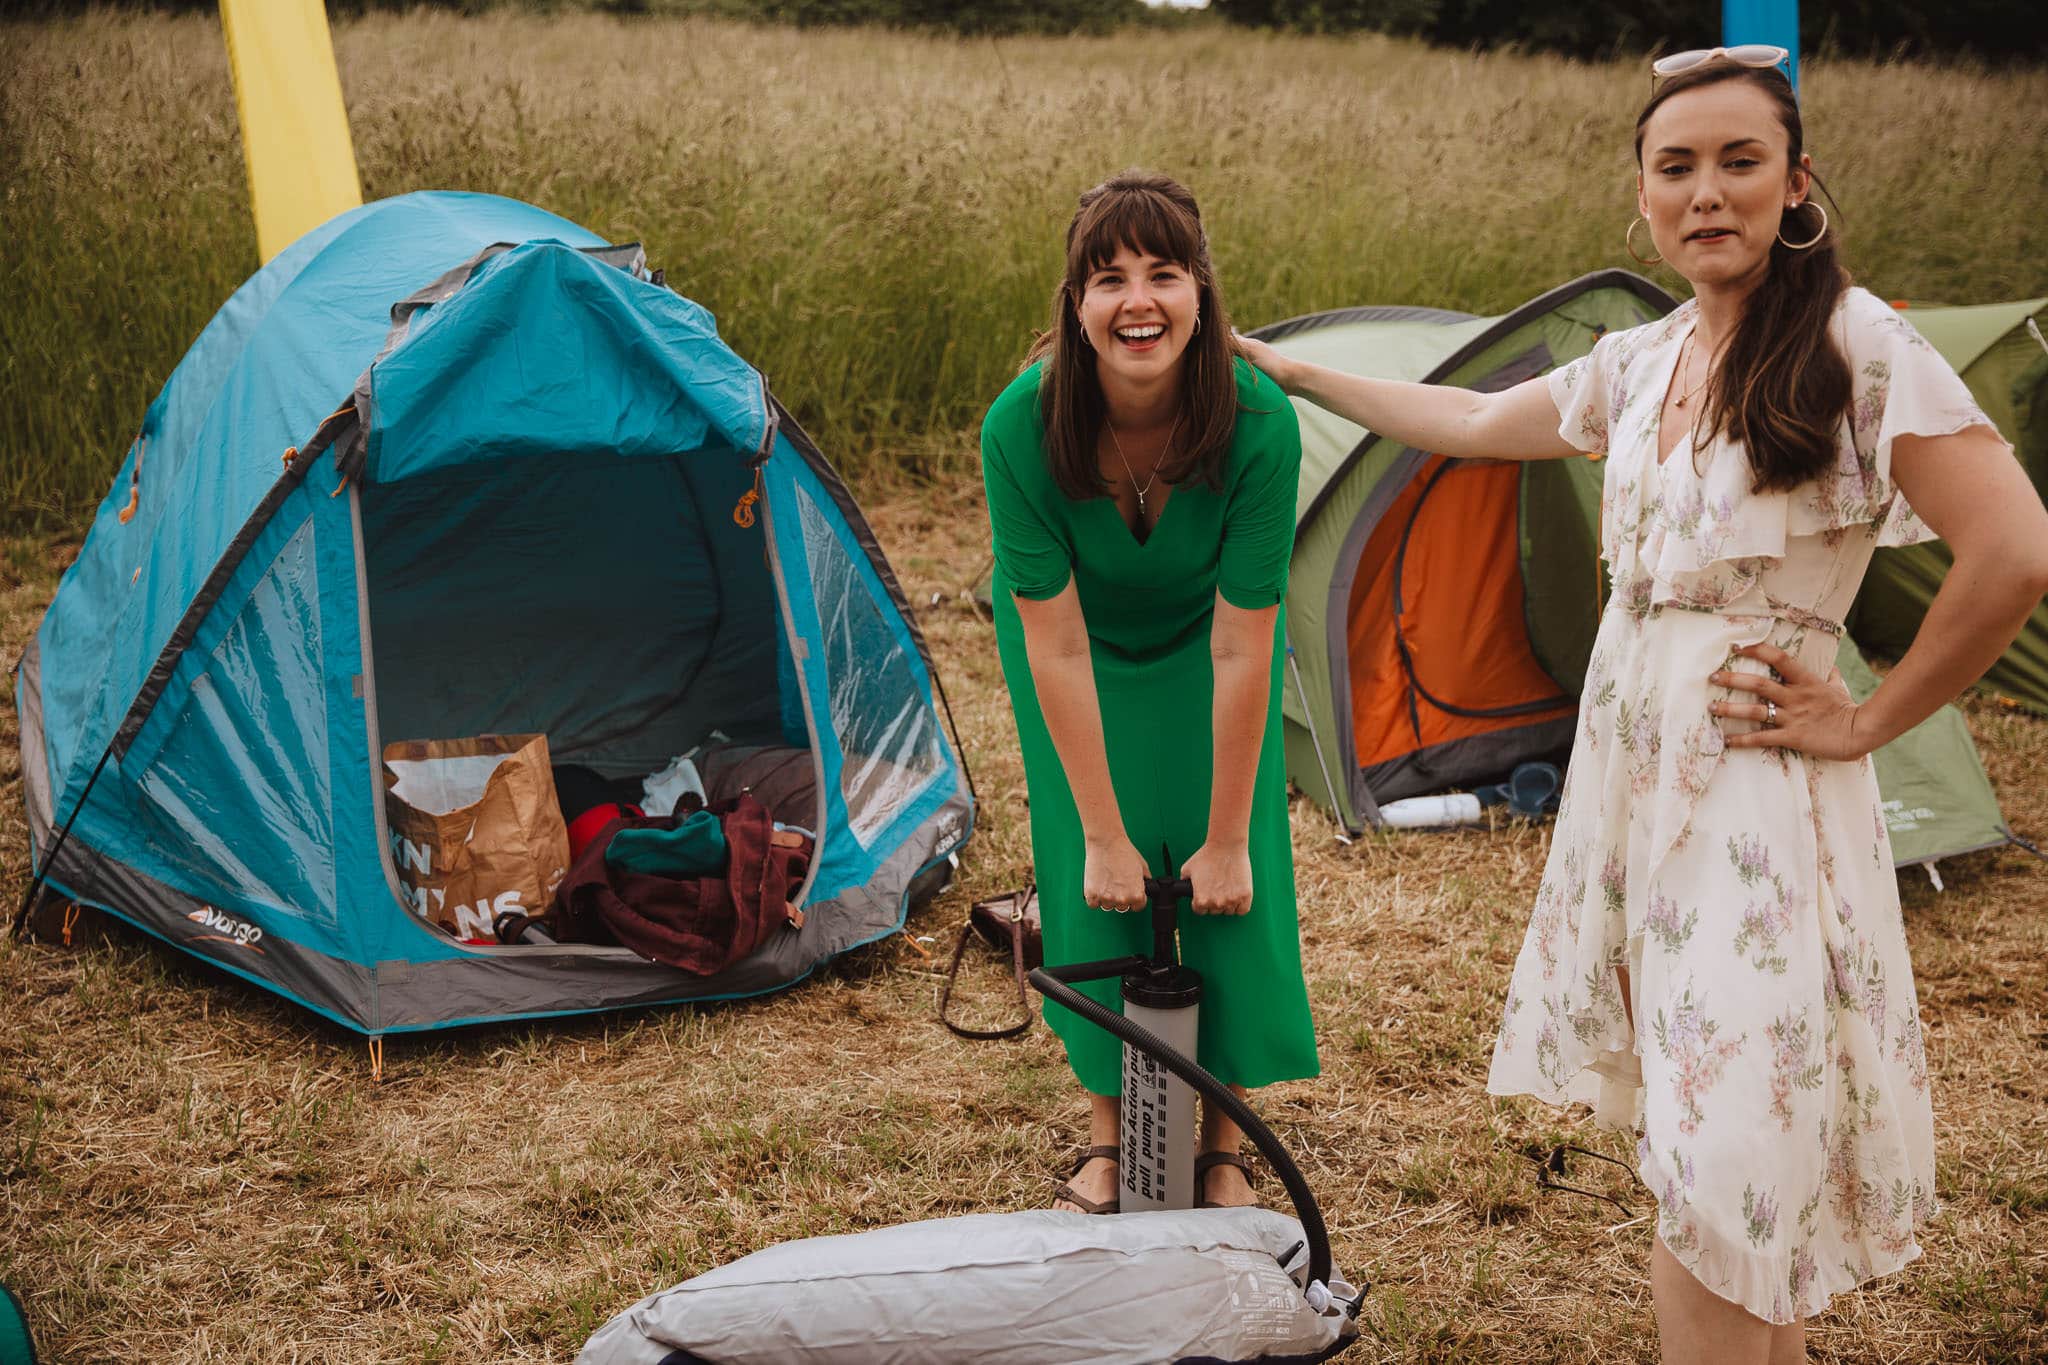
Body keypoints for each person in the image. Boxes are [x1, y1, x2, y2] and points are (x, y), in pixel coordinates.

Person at [1236, 49, 2048, 1364]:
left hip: (1755, 800)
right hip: (1633, 795)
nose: (1708, 192)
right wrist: (1299, 374)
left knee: (1724, 1147)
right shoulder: (1646, 356)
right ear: (1643, 198)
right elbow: (1466, 417)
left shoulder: (1855, 345)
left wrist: (1865, 717)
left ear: (1796, 184)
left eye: (1741, 161)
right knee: (1718, 1144)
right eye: (1678, 167)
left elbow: (2013, 550)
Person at [980, 170, 1319, 1215]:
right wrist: (1100, 831)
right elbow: (1058, 646)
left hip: (1204, 644)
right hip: (1074, 650)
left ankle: (1219, 1140)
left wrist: (1221, 837)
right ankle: (1109, 1136)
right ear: (1073, 308)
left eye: (1163, 274)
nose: (1137, 300)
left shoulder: (1256, 422)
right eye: (1107, 278)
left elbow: (1239, 647)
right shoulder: (1020, 426)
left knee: (1228, 878)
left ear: (1201, 295)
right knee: (1098, 883)